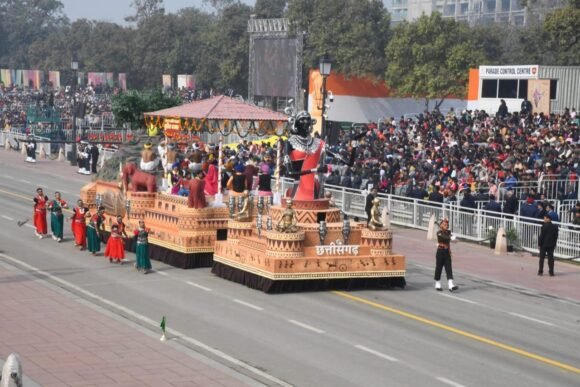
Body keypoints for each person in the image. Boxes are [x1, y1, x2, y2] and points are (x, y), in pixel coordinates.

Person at [434, 218, 458, 292]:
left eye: (447, 225)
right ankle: (437, 283)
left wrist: (454, 239)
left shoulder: (448, 232)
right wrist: (450, 237)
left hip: (447, 252)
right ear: (441, 225)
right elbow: (444, 238)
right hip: (440, 252)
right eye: (444, 224)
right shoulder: (439, 233)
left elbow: (451, 239)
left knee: (449, 268)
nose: (446, 226)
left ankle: (451, 285)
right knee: (439, 268)